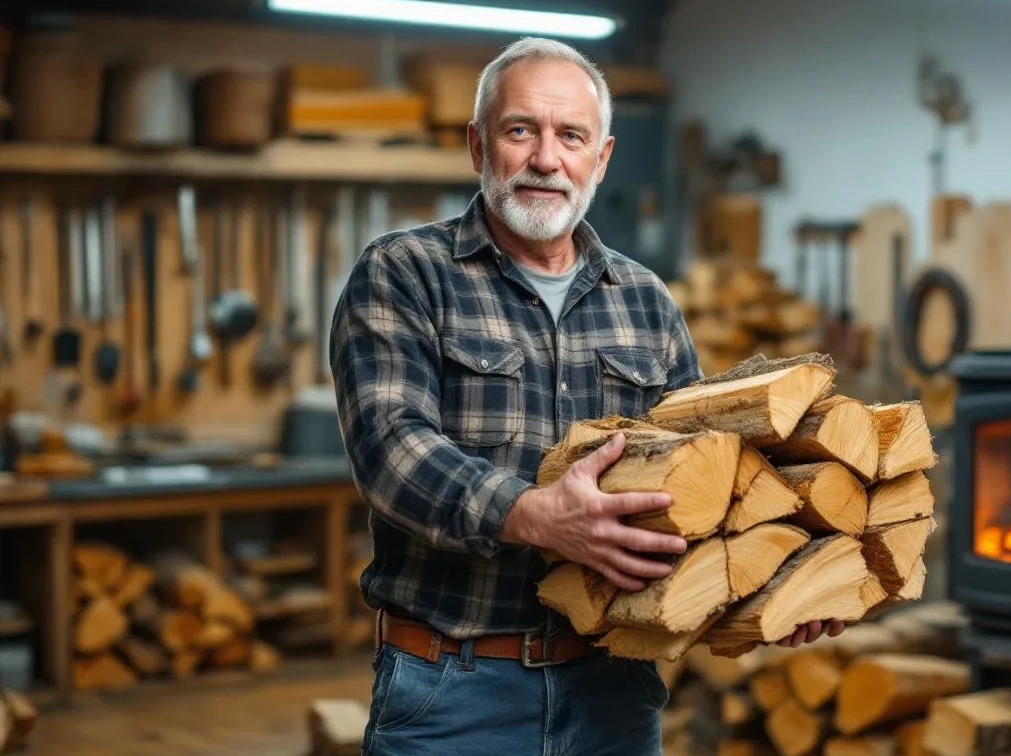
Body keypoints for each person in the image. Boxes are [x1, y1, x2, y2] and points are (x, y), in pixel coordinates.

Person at [330, 36, 843, 756]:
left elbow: (700, 479)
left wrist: (777, 589)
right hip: (456, 690)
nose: (546, 159)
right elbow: (393, 450)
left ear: (600, 159)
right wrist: (535, 515)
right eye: (520, 131)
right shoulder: (405, 274)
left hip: (615, 692)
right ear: (478, 145)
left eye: (570, 136)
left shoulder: (643, 298)